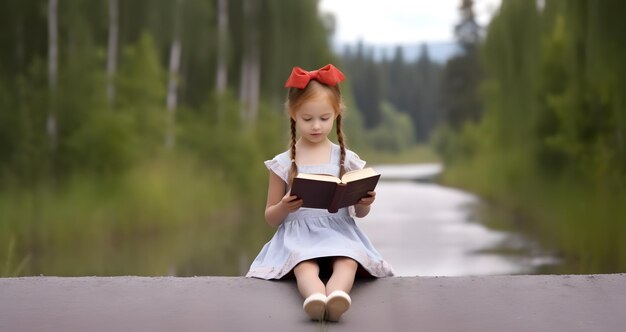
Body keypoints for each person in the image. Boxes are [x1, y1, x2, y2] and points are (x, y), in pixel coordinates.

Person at [246, 64, 393, 322]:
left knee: (348, 260)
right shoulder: (282, 163)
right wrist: (284, 206)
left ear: (336, 114)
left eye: (324, 118)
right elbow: (271, 217)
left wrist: (365, 202)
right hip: (299, 235)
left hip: (339, 231)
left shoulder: (346, 159)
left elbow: (359, 213)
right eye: (307, 118)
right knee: (304, 263)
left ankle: (336, 296)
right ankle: (315, 298)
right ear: (293, 114)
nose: (316, 126)